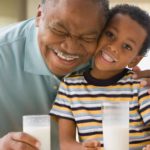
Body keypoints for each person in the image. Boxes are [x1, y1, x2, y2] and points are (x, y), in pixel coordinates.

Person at [0, 0, 109, 150]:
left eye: (87, 38)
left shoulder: (104, 58)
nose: (71, 48)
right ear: (39, 15)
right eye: (59, 30)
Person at [50, 4, 150, 150]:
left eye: (127, 46)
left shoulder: (138, 86)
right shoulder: (70, 86)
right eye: (110, 34)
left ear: (134, 60)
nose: (114, 47)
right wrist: (82, 148)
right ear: (98, 33)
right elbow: (66, 143)